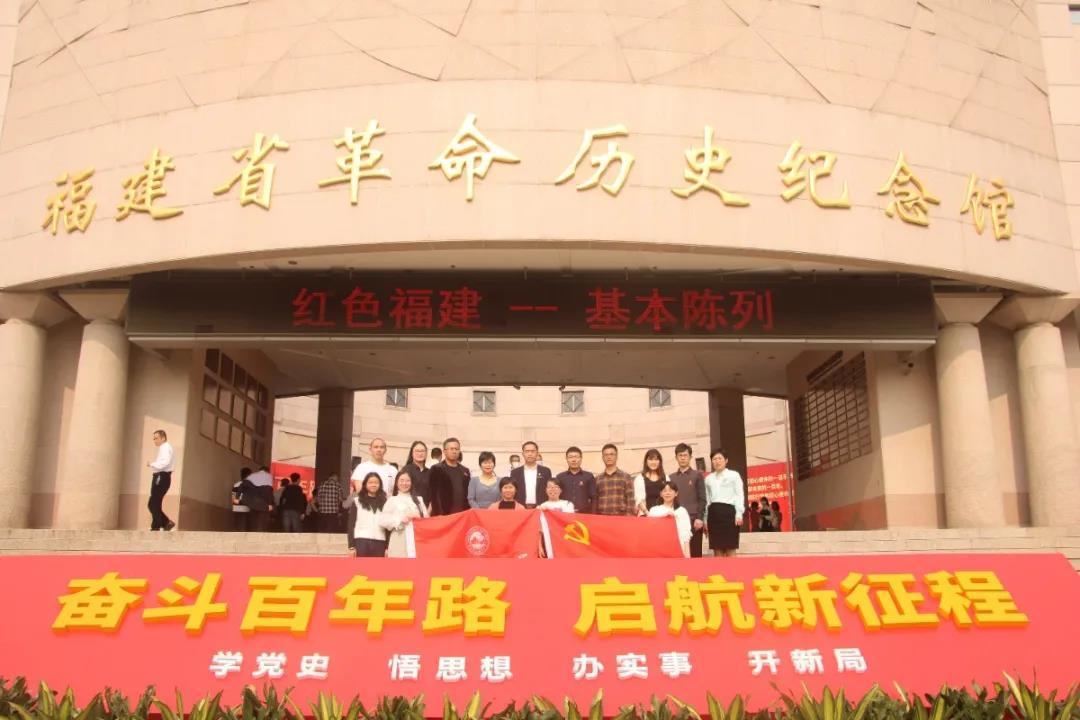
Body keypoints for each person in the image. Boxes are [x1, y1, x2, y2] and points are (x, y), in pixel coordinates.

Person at [704, 448, 745, 557]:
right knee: (717, 550)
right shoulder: (708, 479)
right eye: (714, 459)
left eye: (720, 458)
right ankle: (719, 568)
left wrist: (739, 513)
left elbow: (739, 495)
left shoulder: (734, 475)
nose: (717, 461)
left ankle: (733, 569)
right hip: (713, 514)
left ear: (726, 460)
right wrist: (705, 518)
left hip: (729, 513)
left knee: (730, 548)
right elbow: (707, 499)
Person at [379, 468, 428, 557]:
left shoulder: (419, 500)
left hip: (417, 540)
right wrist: (401, 519)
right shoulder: (392, 500)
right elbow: (383, 520)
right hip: (399, 538)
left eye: (407, 481)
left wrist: (417, 516)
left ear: (411, 483)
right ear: (397, 483)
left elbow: (427, 519)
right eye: (401, 480)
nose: (404, 483)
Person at [669, 443, 707, 557]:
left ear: (690, 457)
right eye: (680, 455)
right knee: (678, 554)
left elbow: (702, 498)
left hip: (694, 520)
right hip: (676, 520)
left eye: (685, 455)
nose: (683, 458)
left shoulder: (697, 475)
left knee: (695, 554)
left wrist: (700, 518)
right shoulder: (671, 477)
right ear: (676, 458)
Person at [343, 471, 388, 557]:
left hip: (380, 541)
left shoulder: (385, 502)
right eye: (370, 482)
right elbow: (351, 525)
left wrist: (387, 546)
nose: (373, 485)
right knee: (361, 566)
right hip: (361, 541)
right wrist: (351, 546)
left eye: (376, 483)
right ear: (365, 484)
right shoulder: (357, 501)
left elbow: (387, 526)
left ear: (380, 485)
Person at [647, 481, 692, 558]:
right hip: (659, 550)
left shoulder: (682, 511)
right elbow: (650, 531)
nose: (667, 493)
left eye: (670, 490)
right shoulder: (654, 510)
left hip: (678, 549)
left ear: (676, 493)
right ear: (661, 494)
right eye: (664, 491)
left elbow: (686, 535)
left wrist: (687, 556)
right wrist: (663, 517)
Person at [429, 437, 471, 515]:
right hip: (444, 515)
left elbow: (468, 494)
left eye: (456, 449)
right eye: (451, 449)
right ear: (445, 451)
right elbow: (434, 496)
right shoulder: (436, 469)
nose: (454, 451)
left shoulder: (465, 471)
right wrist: (439, 514)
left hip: (462, 514)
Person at [146, 429, 176, 531]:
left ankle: (158, 525)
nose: (154, 440)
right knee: (155, 503)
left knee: (153, 503)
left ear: (163, 438)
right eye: (154, 438)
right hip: (161, 476)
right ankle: (165, 523)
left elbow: (165, 462)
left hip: (161, 476)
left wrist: (152, 464)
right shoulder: (165, 447)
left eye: (156, 438)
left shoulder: (165, 447)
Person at [595, 443, 635, 516]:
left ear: (616, 456)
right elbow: (595, 501)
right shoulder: (598, 479)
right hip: (602, 518)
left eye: (611, 454)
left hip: (621, 518)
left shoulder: (626, 477)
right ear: (602, 457)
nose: (609, 457)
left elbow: (631, 500)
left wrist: (629, 519)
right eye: (606, 455)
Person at [509, 441, 552, 509]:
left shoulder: (545, 471)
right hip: (521, 508)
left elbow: (550, 490)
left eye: (533, 451)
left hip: (541, 507)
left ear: (537, 453)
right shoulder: (515, 472)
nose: (530, 454)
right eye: (527, 451)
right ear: (523, 454)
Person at [555, 446, 595, 513]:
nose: (574, 460)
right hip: (565, 514)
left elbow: (594, 498)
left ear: (581, 458)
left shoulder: (589, 476)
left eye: (576, 457)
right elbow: (556, 498)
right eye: (570, 457)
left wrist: (593, 514)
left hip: (584, 514)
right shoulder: (560, 477)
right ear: (566, 459)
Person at [633, 448, 667, 515]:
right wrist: (648, 514)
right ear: (646, 461)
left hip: (663, 514)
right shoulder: (640, 478)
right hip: (646, 515)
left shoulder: (666, 478)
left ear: (660, 462)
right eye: (650, 459)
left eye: (656, 459)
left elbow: (669, 498)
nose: (653, 462)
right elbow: (639, 499)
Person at [243, 465, 275, 531]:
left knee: (253, 522)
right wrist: (270, 504)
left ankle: (253, 533)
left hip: (253, 503)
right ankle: (259, 534)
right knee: (261, 522)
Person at [402, 441, 431, 512]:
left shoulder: (430, 472)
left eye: (422, 451)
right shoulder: (406, 470)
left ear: (426, 453)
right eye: (417, 451)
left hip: (427, 512)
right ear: (412, 453)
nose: (420, 453)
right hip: (409, 511)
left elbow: (433, 496)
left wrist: (427, 513)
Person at [231, 467, 252, 532]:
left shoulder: (236, 485)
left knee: (237, 528)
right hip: (245, 509)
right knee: (244, 530)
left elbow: (233, 499)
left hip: (236, 509)